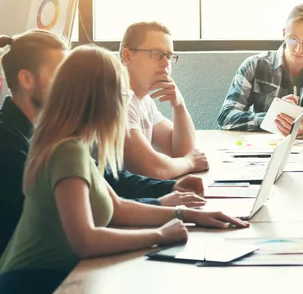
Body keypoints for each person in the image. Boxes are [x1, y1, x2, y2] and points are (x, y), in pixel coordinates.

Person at [0, 45, 248, 293]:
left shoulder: (76, 146)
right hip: (31, 283)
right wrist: (160, 236)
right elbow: (85, 240)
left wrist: (188, 214)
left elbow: (117, 208)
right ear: (99, 99)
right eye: (122, 95)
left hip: (53, 277)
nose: (123, 104)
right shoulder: (68, 152)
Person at [0, 31, 207, 255]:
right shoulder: (8, 141)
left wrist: (171, 196)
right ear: (26, 79)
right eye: (61, 74)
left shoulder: (56, 133)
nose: (69, 84)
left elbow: (106, 183)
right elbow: (78, 220)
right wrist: (161, 228)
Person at [217, 1, 303, 137]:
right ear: (284, 33)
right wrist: (272, 118)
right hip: (264, 149)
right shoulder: (254, 65)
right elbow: (226, 116)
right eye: (293, 39)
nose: (298, 49)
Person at [120, 22, 209, 179]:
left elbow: (182, 150)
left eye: (168, 56)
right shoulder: (119, 100)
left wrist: (179, 105)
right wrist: (190, 163)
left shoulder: (144, 100)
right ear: (127, 56)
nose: (166, 63)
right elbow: (153, 169)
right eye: (156, 54)